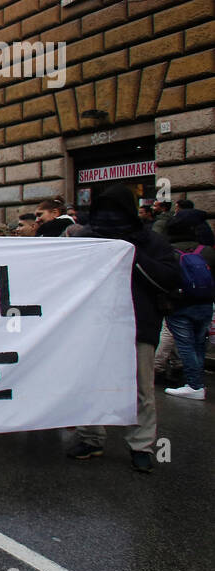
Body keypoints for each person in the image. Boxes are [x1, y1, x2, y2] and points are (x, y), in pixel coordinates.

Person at [66, 184, 180, 473]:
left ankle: (141, 446)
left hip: (138, 325)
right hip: (92, 325)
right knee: (91, 382)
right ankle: (90, 437)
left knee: (141, 389)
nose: (109, 217)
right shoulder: (85, 239)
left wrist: (130, 255)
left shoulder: (150, 242)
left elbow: (168, 278)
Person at [161, 216, 213, 400]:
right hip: (206, 303)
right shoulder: (206, 250)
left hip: (180, 304)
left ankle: (194, 385)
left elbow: (164, 278)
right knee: (199, 344)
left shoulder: (169, 252)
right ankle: (197, 381)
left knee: (185, 346)